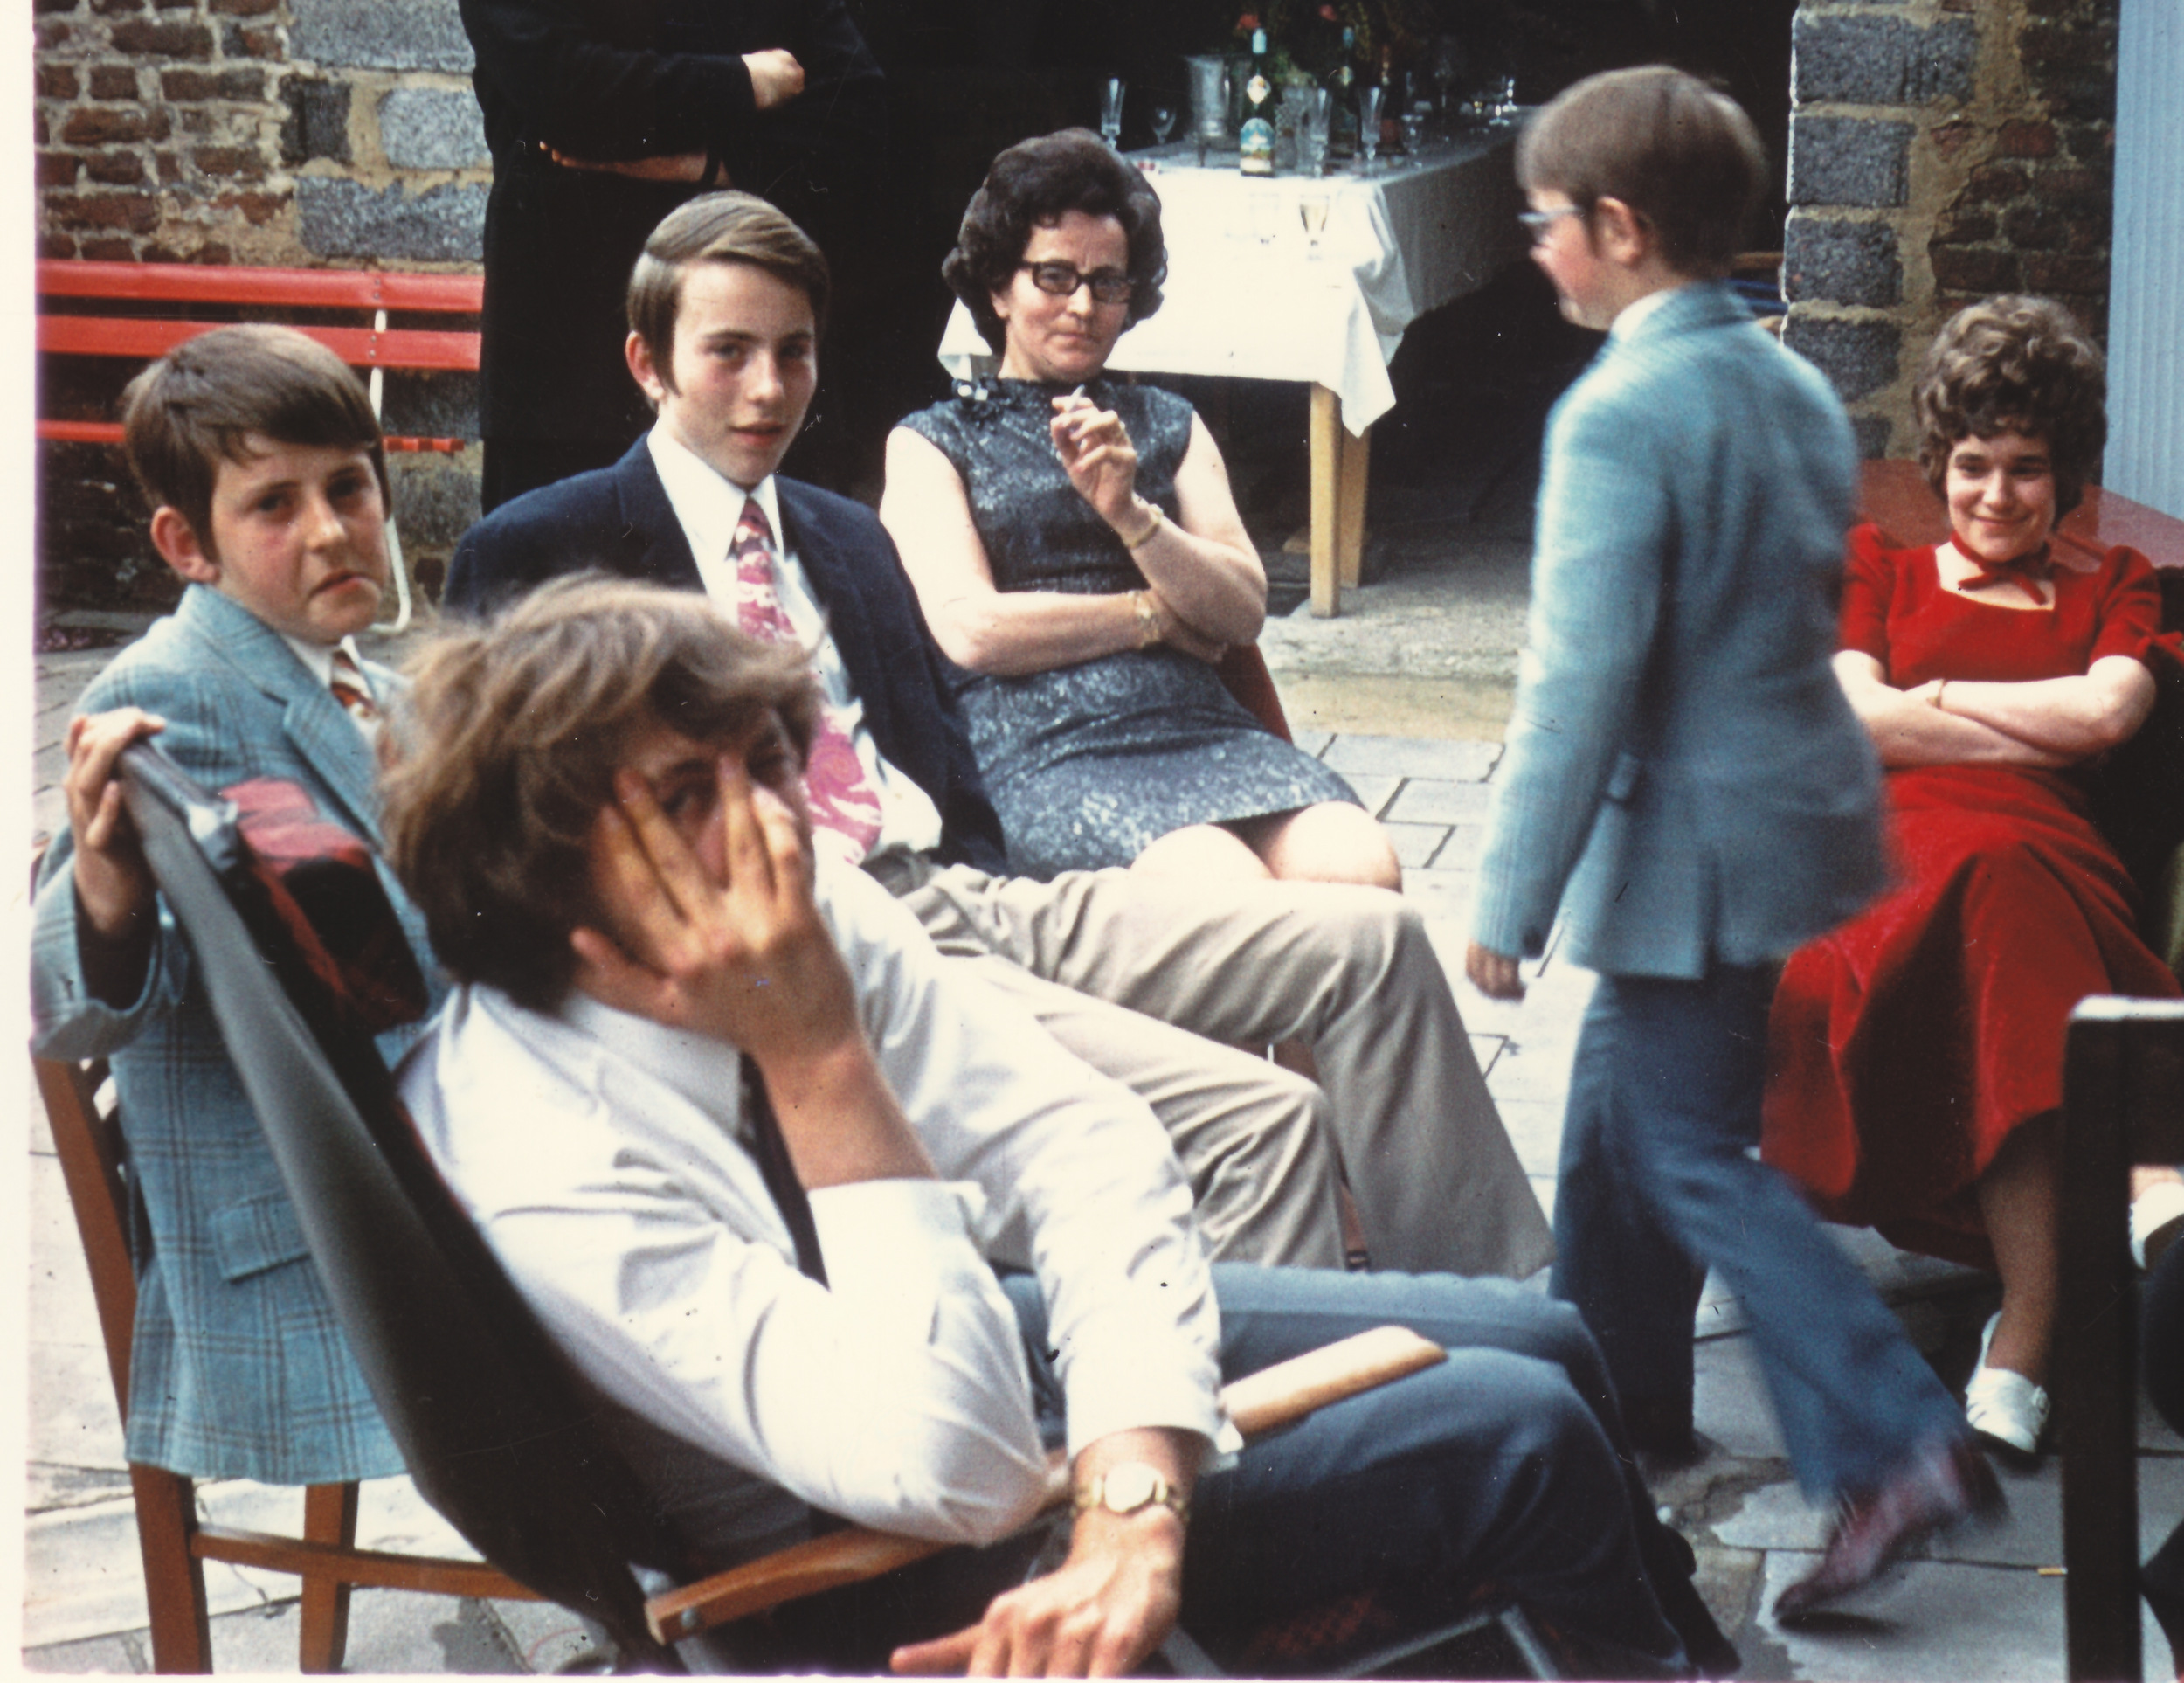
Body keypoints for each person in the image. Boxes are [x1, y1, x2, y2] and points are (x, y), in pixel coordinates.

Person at [384, 575, 1733, 1679]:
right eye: (686, 798)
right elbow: (951, 1469)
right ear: (549, 864)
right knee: (1521, 1435)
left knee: (1548, 1339)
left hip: (980, 1375)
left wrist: (1134, 1486)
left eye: (773, 764)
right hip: (855, 1561)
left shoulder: (791, 902)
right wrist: (818, 1058)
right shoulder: (536, 1146)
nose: (770, 833)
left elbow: (1083, 1143)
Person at [446, 190, 1552, 1283]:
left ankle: (1501, 1314)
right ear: (648, 364)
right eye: (728, 353)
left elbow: (937, 761)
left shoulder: (842, 537)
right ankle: (1311, 1394)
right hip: (803, 952)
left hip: (957, 896)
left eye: (795, 352)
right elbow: (495, 867)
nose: (769, 389)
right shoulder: (547, 554)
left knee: (1374, 941)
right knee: (1268, 1118)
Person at [1462, 66, 1997, 1622]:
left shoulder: (1617, 412)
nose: (1537, 247)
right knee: (1615, 1128)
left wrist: (1509, 897)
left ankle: (1895, 1438)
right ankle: (1615, 1406)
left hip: (1688, 856)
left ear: (1621, 228)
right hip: (1791, 826)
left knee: (1689, 1151)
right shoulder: (1791, 385)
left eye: (1547, 221)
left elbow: (1580, 681)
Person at [1761, 295, 2184, 1461]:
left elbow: (2107, 715)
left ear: (2068, 476)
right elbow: (1857, 718)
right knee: (1990, 902)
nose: (1997, 495)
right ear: (1941, 461)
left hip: (2050, 871)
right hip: (1894, 875)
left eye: (2028, 468)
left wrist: (1934, 699)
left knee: (2001, 897)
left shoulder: (2115, 585)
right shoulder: (1882, 570)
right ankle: (2109, 1237)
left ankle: (2028, 1335)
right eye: (1974, 465)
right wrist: (2033, 728)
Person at [29, 325, 432, 1486]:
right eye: (272, 506)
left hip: (413, 1165)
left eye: (348, 487)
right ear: (185, 544)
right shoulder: (168, 695)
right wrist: (106, 885)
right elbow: (64, 1006)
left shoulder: (377, 685)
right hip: (330, 1245)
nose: (330, 530)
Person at [879, 128, 1400, 888]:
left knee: (1360, 867)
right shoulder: (933, 442)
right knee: (1223, 885)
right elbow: (974, 631)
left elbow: (1243, 610)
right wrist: (1152, 617)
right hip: (1044, 747)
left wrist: (1132, 516)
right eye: (1054, 276)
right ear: (998, 288)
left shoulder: (1166, 422)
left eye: (1108, 283)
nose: (1083, 306)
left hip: (1196, 727)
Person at [460, 0, 885, 509]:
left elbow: (857, 122)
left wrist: (705, 164)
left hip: (755, 380)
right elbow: (565, 94)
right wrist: (743, 83)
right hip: (572, 373)